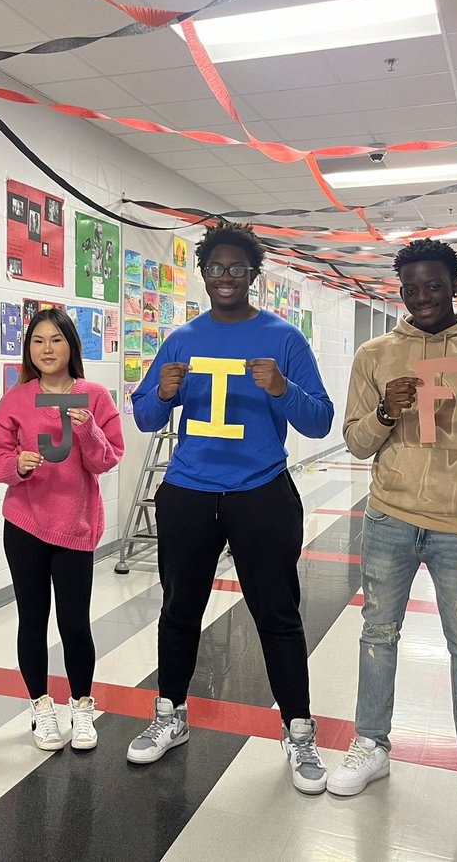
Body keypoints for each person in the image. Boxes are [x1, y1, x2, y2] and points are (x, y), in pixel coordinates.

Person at [126, 222, 334, 794]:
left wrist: (282, 389)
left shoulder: (284, 338)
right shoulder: (181, 339)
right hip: (189, 491)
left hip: (261, 491)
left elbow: (320, 420)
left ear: (252, 275)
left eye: (236, 268)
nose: (225, 277)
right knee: (179, 609)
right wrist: (162, 392)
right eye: (215, 268)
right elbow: (144, 416)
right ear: (203, 274)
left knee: (278, 615)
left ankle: (299, 731)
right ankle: (170, 713)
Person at [338, 238, 457, 832]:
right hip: (388, 517)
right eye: (411, 288)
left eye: (434, 285)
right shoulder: (375, 354)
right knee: (378, 633)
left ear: (455, 286)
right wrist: (384, 412)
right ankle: (371, 744)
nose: (422, 297)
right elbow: (356, 442)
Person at [0, 309, 124, 751]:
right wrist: (16, 464)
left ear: (71, 346)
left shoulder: (94, 396)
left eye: (56, 340)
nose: (47, 349)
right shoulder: (17, 398)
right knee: (32, 619)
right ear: (28, 348)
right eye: (38, 341)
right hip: (24, 524)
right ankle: (40, 707)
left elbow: (107, 459)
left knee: (75, 622)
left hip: (75, 526)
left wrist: (89, 432)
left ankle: (81, 705)